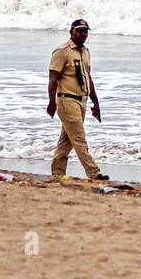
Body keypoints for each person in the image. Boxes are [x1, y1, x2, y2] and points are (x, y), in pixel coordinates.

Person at [47, 19, 109, 181]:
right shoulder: (62, 51)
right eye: (79, 31)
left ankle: (57, 172)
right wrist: (52, 102)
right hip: (67, 100)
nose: (83, 34)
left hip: (82, 100)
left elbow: (88, 77)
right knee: (79, 138)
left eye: (85, 31)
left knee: (66, 140)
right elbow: (53, 78)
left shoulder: (85, 52)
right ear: (71, 32)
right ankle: (94, 172)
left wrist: (96, 103)